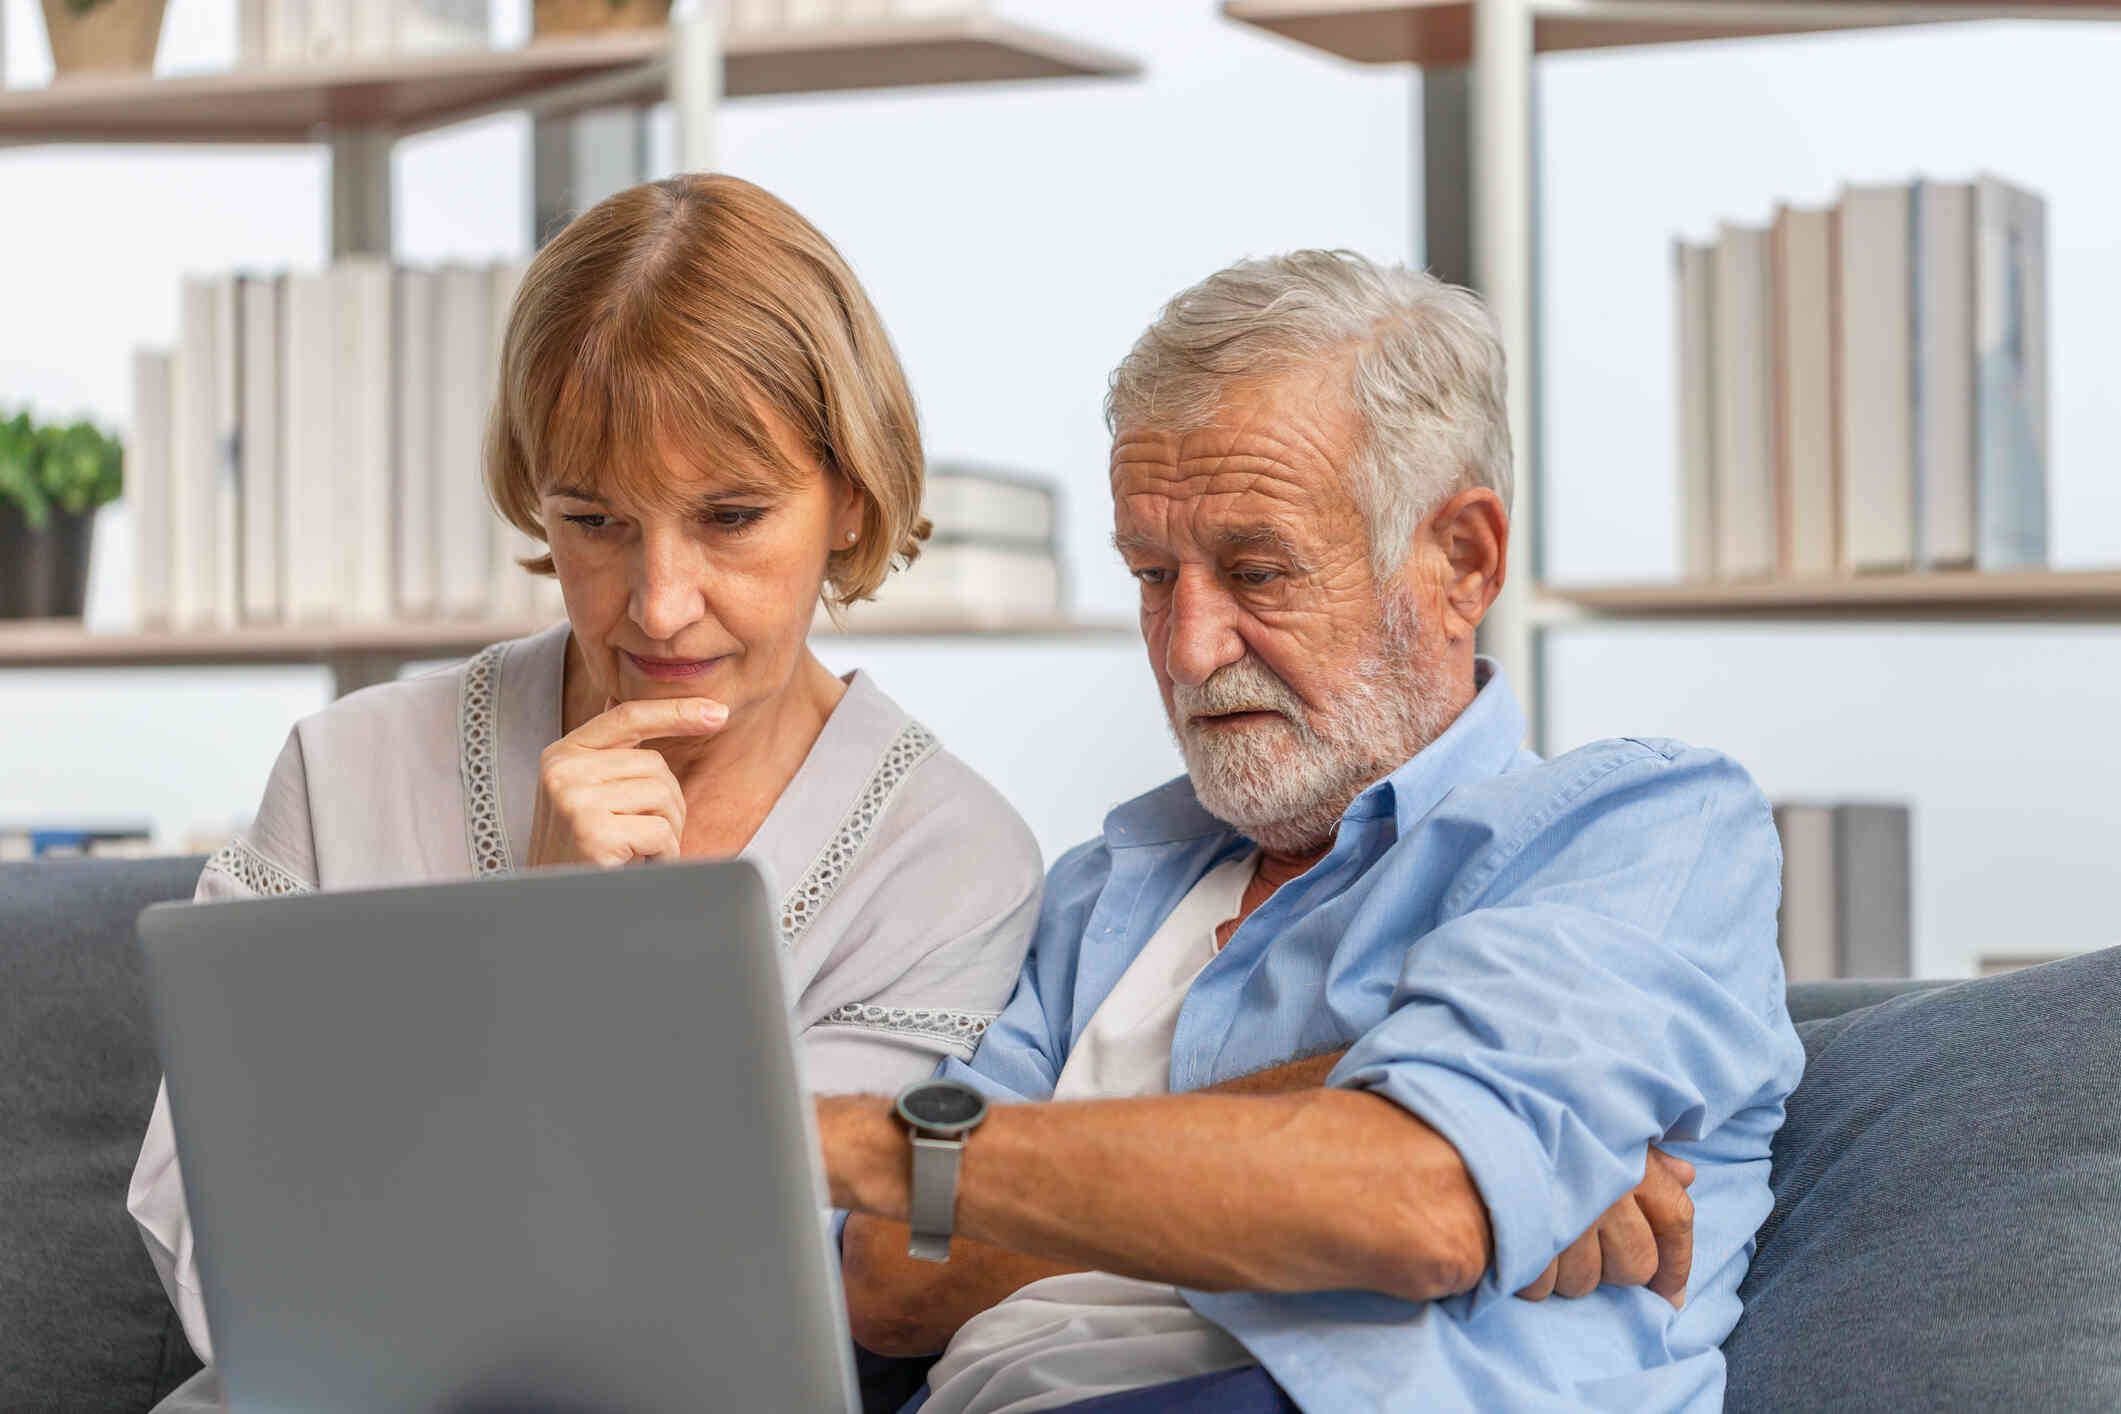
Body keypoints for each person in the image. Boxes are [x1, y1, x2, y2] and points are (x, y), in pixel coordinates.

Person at [821, 251, 1807, 1413]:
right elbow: (889, 1276)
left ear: (1461, 560)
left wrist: (901, 1151)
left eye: (1257, 570)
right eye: (1153, 575)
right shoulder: (1097, 895)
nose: (1188, 649)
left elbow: (1419, 1207)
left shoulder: (1636, 831)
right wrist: (1358, 1094)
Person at [126, 174, 1045, 1405]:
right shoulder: (344, 770)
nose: (658, 603)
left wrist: (542, 993)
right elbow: (214, 1271)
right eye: (597, 521)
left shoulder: (947, 860)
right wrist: (534, 928)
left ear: (853, 501)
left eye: (730, 517)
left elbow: (768, 1306)